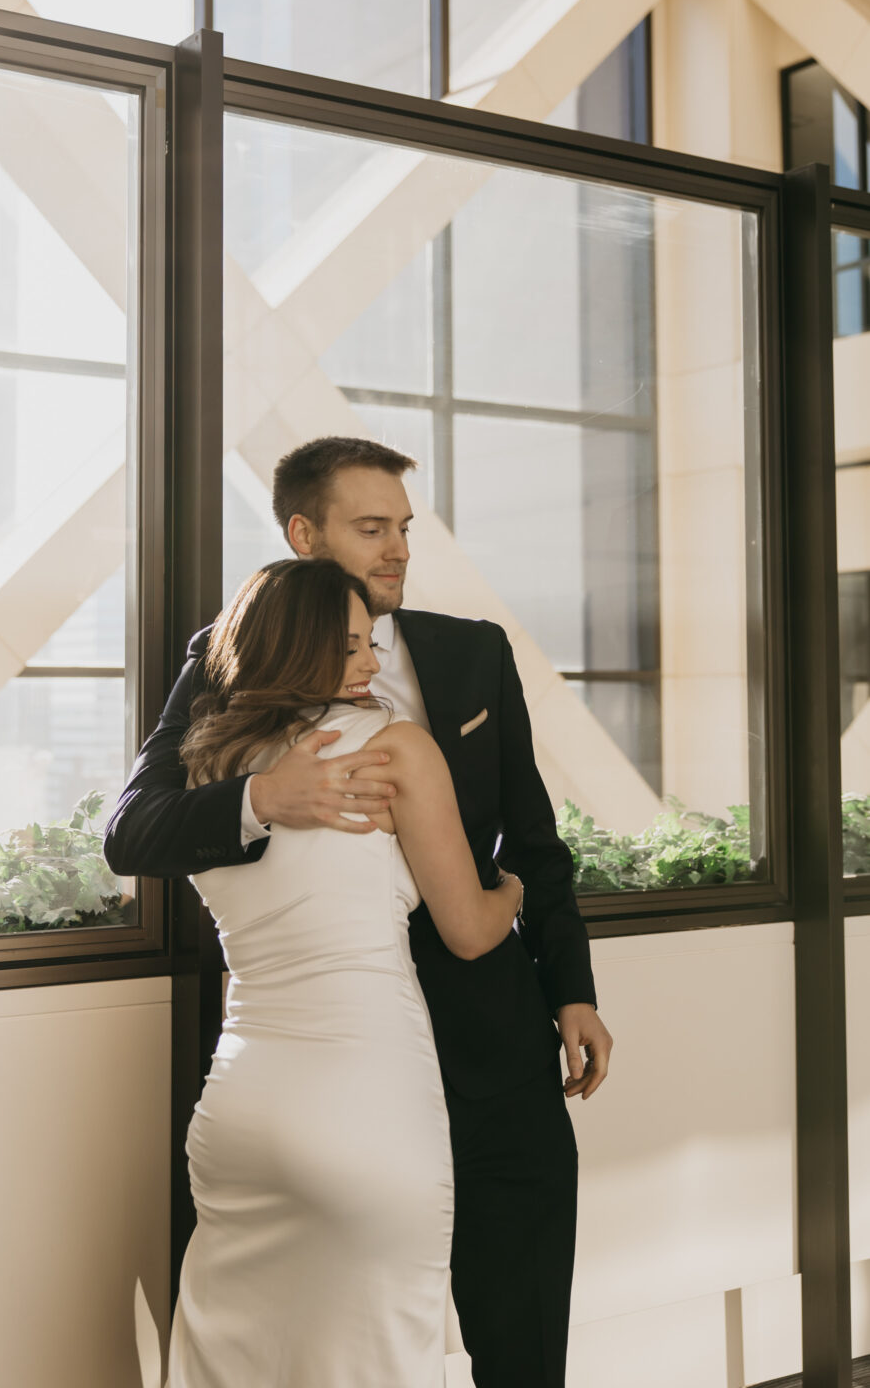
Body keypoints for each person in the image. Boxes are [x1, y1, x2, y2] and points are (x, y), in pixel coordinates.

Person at [105, 435, 614, 1388]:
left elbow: (533, 841)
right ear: (304, 536)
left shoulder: (472, 651)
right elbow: (133, 831)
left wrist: (571, 989)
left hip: (487, 1031)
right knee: (339, 1330)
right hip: (336, 1061)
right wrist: (266, 799)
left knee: (520, 1307)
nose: (398, 551)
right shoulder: (223, 664)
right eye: (371, 528)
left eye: (405, 529)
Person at [160, 556, 524, 1386]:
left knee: (235, 1364)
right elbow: (467, 930)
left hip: (239, 1114)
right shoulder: (394, 747)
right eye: (353, 646)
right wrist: (513, 888)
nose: (371, 662)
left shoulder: (210, 763)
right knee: (375, 1360)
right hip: (365, 1106)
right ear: (298, 650)